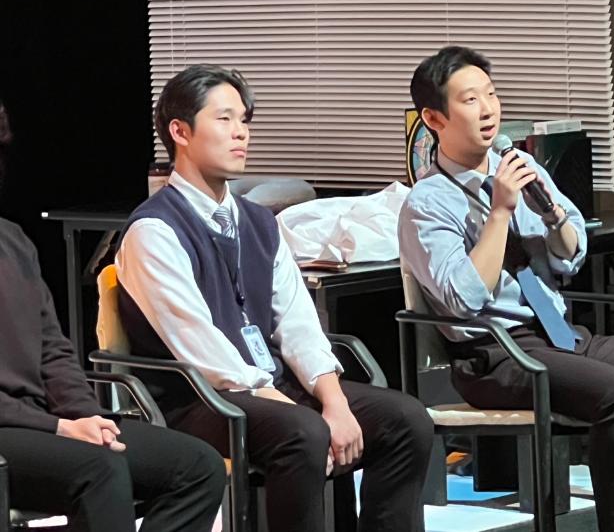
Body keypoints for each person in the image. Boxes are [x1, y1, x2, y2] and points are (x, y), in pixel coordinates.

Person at [398, 46, 614, 532]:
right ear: (434, 118)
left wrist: (551, 213)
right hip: (496, 356)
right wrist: (500, 212)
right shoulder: (428, 203)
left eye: (491, 95)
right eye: (470, 100)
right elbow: (464, 298)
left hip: (562, 335)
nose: (488, 109)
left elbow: (572, 255)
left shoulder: (518, 165)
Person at [115, 64, 433, 532]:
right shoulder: (154, 231)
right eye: (224, 119)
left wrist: (334, 401)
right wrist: (292, 406)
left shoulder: (260, 222)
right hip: (200, 400)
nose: (240, 133)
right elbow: (201, 349)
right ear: (180, 132)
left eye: (244, 120)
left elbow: (299, 323)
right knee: (302, 432)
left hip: (271, 388)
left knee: (406, 419)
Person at [0, 99, 226, 532]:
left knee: (198, 467)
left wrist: (85, 415)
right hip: (13, 428)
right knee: (100, 470)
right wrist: (57, 427)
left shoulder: (13, 241)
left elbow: (53, 350)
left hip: (42, 421)